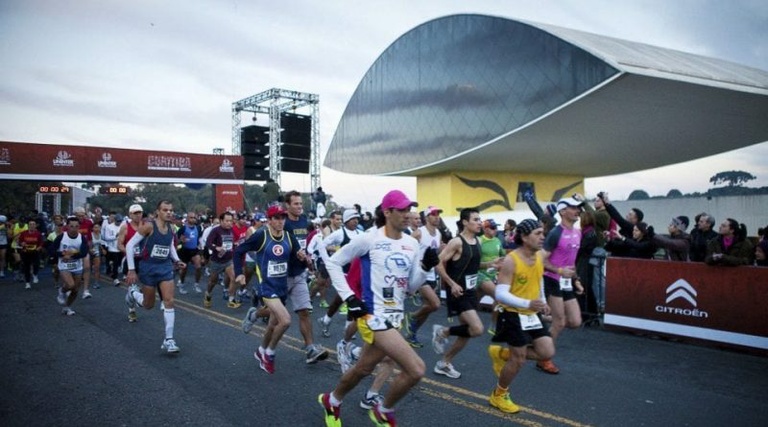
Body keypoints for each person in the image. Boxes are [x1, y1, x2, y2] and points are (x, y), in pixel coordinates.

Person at [317, 189, 438, 427]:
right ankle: (384, 411)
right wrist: (350, 297)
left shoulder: (411, 244)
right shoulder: (369, 238)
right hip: (373, 316)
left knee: (363, 368)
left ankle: (332, 400)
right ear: (387, 212)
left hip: (395, 316)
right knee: (416, 369)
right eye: (402, 210)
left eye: (409, 209)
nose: (408, 214)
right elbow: (333, 263)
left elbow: (411, 288)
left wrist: (424, 267)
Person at [486, 218, 554, 413]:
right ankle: (498, 395)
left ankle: (501, 354)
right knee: (519, 360)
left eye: (543, 233)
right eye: (538, 234)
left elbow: (538, 279)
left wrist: (543, 301)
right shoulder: (511, 260)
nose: (543, 237)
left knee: (546, 352)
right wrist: (527, 303)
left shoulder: (539, 256)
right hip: (513, 314)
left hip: (532, 313)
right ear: (524, 237)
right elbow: (500, 294)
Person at [234, 204, 306, 373]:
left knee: (273, 324)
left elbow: (298, 256)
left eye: (283, 218)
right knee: (286, 320)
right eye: (277, 218)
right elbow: (239, 251)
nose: (281, 221)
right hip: (266, 287)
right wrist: (239, 273)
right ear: (269, 220)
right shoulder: (261, 236)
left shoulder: (289, 237)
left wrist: (304, 258)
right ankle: (269, 354)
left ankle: (260, 351)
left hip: (282, 287)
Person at [265, 190, 328, 364]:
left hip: (299, 273)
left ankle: (310, 349)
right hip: (281, 276)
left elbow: (304, 243)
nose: (300, 207)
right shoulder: (281, 222)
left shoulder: (304, 220)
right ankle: (255, 315)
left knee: (304, 311)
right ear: (287, 205)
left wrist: (307, 259)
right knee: (275, 315)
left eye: (301, 203)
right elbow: (271, 245)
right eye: (296, 204)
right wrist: (291, 252)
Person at [124, 200, 186, 353]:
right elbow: (130, 245)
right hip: (148, 268)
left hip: (165, 267)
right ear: (158, 211)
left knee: (169, 301)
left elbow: (170, 245)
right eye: (165, 210)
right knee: (148, 305)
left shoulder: (171, 228)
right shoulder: (149, 226)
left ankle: (169, 339)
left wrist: (177, 260)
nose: (169, 213)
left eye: (171, 210)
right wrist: (131, 270)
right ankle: (133, 293)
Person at [431, 208, 484, 379]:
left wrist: (493, 263)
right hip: (457, 291)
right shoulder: (457, 242)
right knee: (476, 328)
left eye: (479, 219)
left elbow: (474, 266)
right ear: (465, 222)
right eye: (475, 219)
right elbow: (437, 264)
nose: (479, 222)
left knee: (466, 332)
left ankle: (444, 363)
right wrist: (451, 283)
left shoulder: (478, 242)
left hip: (470, 291)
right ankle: (443, 332)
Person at [538, 197, 585, 374]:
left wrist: (577, 279)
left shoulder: (577, 232)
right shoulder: (555, 233)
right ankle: (544, 358)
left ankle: (539, 324)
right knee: (559, 322)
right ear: (562, 211)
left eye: (579, 208)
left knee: (574, 321)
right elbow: (540, 260)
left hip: (566, 282)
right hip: (552, 279)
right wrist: (558, 271)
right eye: (573, 208)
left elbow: (571, 262)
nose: (578, 211)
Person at [402, 206, 444, 348]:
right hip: (419, 273)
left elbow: (435, 255)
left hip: (431, 273)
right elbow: (404, 246)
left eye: (438, 214)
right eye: (433, 214)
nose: (437, 216)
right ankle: (412, 316)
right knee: (435, 304)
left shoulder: (438, 233)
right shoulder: (419, 233)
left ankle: (411, 334)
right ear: (426, 217)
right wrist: (415, 262)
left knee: (429, 308)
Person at [54, 216, 90, 316]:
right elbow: (51, 250)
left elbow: (84, 252)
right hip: (64, 265)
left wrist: (71, 255)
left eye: (76, 226)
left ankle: (67, 307)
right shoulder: (62, 237)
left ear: (79, 227)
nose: (74, 229)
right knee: (70, 285)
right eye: (71, 226)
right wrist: (62, 255)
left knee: (75, 290)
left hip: (77, 266)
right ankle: (61, 291)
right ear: (67, 227)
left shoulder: (81, 237)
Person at [204, 211, 239, 309]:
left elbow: (229, 243)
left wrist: (234, 245)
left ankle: (231, 299)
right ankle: (208, 294)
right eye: (227, 221)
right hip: (216, 261)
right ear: (221, 221)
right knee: (212, 282)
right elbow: (208, 243)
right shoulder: (216, 230)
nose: (229, 223)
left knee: (234, 278)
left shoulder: (231, 230)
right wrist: (216, 248)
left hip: (228, 260)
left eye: (231, 221)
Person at [477, 219, 505, 333]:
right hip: (481, 274)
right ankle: (493, 326)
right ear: (485, 229)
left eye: (496, 227)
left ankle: (492, 324)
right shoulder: (479, 241)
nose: (496, 230)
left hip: (493, 275)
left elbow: (502, 256)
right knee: (499, 298)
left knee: (474, 302)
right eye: (493, 228)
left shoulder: (498, 241)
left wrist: (501, 263)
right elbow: (474, 261)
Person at [176, 212, 204, 294]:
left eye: (194, 218)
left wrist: (201, 252)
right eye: (191, 217)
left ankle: (196, 284)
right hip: (184, 251)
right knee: (184, 270)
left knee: (198, 267)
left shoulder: (198, 228)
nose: (193, 219)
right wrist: (181, 241)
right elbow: (176, 240)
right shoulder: (183, 229)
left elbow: (199, 239)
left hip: (194, 250)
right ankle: (181, 284)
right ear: (187, 219)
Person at [18, 219, 44, 289]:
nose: (32, 226)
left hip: (35, 252)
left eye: (33, 224)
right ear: (28, 225)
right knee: (26, 267)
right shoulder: (24, 233)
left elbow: (41, 243)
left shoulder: (38, 234)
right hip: (26, 252)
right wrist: (22, 243)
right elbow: (20, 241)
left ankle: (35, 274)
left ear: (35, 226)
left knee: (36, 264)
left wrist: (39, 248)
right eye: (30, 224)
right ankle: (27, 283)